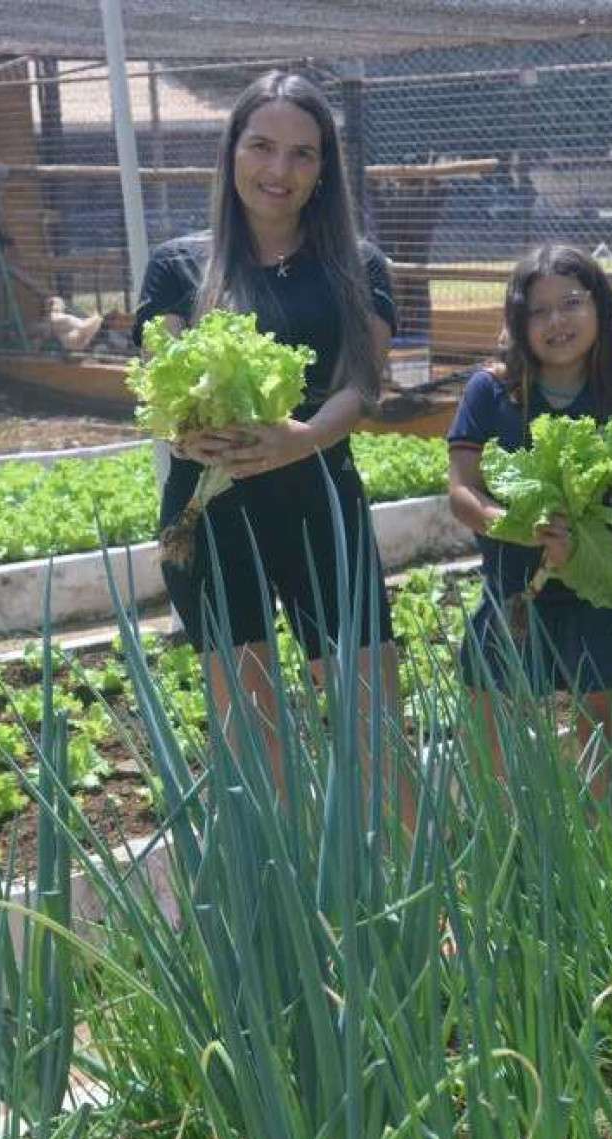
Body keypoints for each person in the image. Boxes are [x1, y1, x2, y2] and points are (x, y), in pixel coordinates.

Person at [130, 70, 406, 811]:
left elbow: (363, 383)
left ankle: (426, 909)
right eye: (262, 146)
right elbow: (162, 385)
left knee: (373, 718)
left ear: (324, 170)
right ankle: (294, 912)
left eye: (302, 154)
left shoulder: (359, 264)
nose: (278, 171)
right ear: (231, 152)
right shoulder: (179, 265)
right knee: (253, 735)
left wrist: (304, 437)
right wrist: (187, 434)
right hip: (211, 511)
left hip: (319, 495)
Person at [446, 245, 612, 790]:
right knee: (488, 718)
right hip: (513, 590)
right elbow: (463, 493)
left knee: (600, 725)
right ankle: (508, 843)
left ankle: (601, 840)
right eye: (538, 311)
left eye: (570, 304)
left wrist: (584, 552)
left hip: (596, 596)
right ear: (518, 320)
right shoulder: (491, 392)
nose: (556, 322)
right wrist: (517, 528)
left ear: (599, 309)